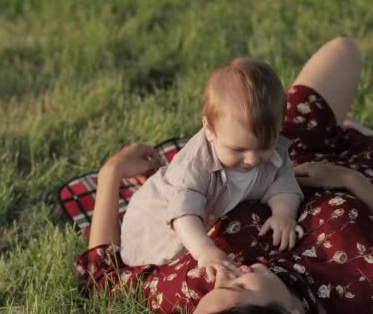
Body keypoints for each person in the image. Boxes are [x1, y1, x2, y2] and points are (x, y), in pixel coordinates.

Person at [75, 37, 373, 314]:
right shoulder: (372, 292)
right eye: (238, 284)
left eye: (207, 295)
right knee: (343, 52)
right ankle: (347, 134)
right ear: (293, 311)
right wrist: (353, 183)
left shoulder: (197, 285)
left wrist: (112, 173)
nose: (222, 276)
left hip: (270, 150)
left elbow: (102, 276)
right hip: (320, 166)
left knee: (341, 50)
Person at [120, 58, 305, 282]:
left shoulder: (274, 152)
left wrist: (283, 214)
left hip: (209, 214)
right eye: (238, 149)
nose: (253, 159)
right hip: (158, 222)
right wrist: (204, 250)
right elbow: (183, 214)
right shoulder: (195, 164)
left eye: (265, 146)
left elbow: (284, 183)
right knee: (176, 259)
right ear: (210, 129)